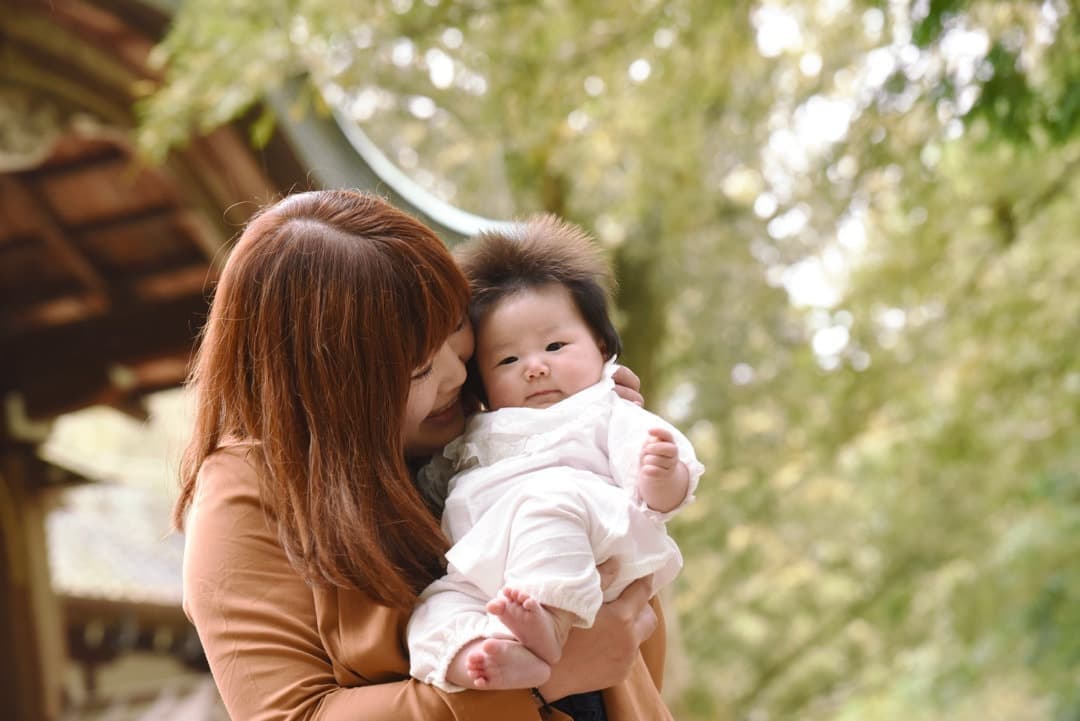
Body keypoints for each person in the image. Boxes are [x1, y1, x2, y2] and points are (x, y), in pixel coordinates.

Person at [174, 189, 672, 721]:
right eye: (417, 371)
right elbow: (291, 715)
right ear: (325, 387)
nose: (457, 376)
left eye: (457, 338)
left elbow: (631, 625)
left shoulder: (479, 420)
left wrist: (594, 434)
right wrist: (546, 681)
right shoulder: (246, 493)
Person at [407, 215, 704, 704]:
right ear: (479, 381)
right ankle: (480, 657)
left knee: (549, 504)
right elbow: (433, 488)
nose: (535, 367)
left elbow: (664, 485)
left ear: (602, 347)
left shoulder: (604, 407)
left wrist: (660, 475)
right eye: (507, 360)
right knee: (433, 609)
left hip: (578, 536)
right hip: (483, 568)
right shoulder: (476, 428)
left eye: (555, 346)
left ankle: (551, 619)